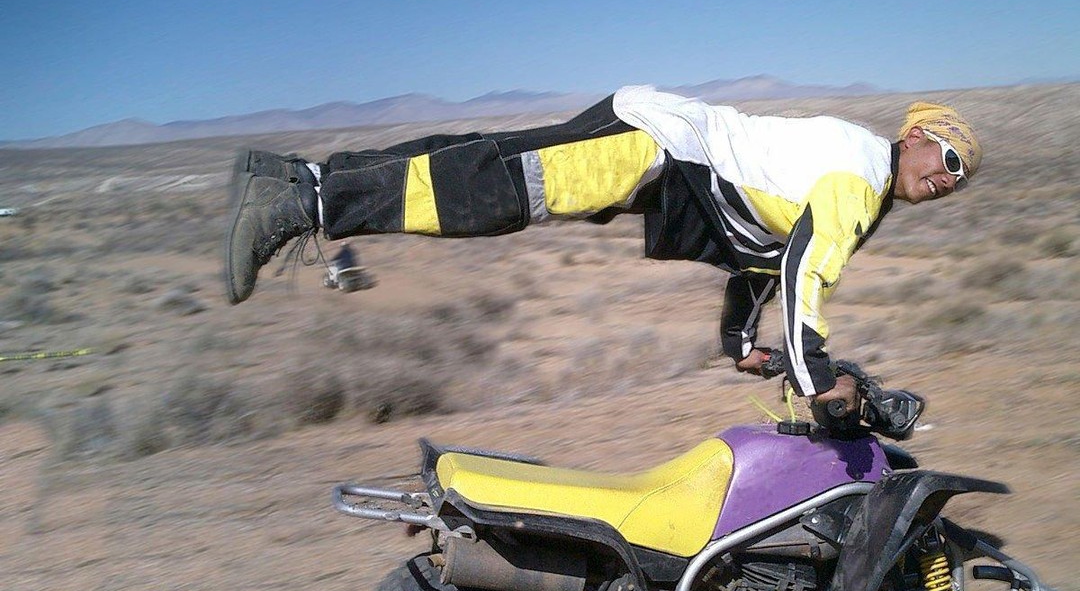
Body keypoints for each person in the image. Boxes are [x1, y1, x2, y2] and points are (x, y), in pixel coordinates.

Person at [224, 86, 980, 412]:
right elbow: (804, 269)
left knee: (481, 159)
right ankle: (302, 204)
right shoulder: (861, 173)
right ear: (915, 135)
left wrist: (736, 342)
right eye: (947, 159)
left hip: (659, 149)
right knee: (492, 189)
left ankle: (296, 179)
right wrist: (815, 379)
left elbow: (761, 251)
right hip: (653, 150)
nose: (949, 180)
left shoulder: (865, 183)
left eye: (961, 178)